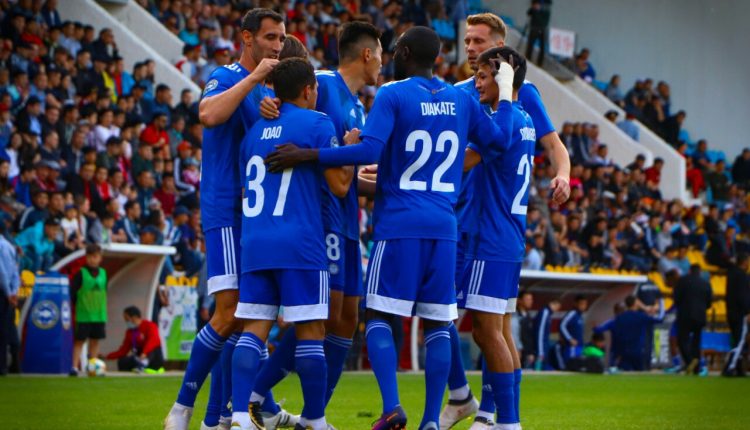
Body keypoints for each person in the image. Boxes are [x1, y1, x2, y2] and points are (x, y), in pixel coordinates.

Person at [264, 25, 515, 430]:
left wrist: (309, 154)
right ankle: (431, 420)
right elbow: (500, 142)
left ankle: (392, 406)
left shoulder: (393, 94)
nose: (389, 56)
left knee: (379, 315)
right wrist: (504, 94)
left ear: (405, 54)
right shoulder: (462, 100)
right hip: (444, 226)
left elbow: (368, 149)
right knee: (438, 324)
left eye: (395, 50)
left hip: (399, 223)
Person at [164, 8, 293, 430]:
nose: (277, 46)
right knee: (229, 312)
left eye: (282, 38)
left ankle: (221, 416)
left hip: (254, 215)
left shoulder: (263, 93)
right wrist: (254, 80)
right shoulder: (227, 76)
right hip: (224, 209)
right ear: (247, 37)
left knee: (248, 315)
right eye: (271, 37)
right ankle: (182, 409)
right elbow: (208, 115)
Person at [443, 12, 570, 430]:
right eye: (467, 41)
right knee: (484, 326)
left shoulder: (514, 102)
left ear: (500, 49)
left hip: (485, 227)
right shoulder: (469, 94)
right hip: (479, 223)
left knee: (481, 327)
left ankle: (493, 414)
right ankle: (480, 408)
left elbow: (540, 145)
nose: (470, 48)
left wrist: (564, 174)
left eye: (479, 41)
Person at [253, 21, 383, 410]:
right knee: (321, 313)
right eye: (380, 53)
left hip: (348, 218)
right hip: (322, 214)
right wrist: (267, 102)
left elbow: (343, 167)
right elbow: (286, 107)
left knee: (347, 318)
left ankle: (316, 413)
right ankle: (253, 395)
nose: (382, 61)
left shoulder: (358, 107)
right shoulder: (323, 84)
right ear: (366, 54)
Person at [232, 57, 351, 430]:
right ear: (308, 90)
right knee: (312, 332)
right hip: (300, 244)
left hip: (255, 241)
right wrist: (348, 150)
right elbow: (340, 186)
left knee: (253, 331)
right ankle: (315, 419)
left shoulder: (253, 133)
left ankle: (239, 417)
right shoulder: (317, 123)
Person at [452, 46, 532, 430]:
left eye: (484, 76)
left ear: (504, 77)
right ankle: (506, 419)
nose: (477, 83)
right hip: (509, 237)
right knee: (497, 332)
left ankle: (508, 423)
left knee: (487, 332)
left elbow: (462, 162)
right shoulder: (524, 118)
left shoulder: (504, 120)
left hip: (491, 238)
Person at [70, 244, 108, 376]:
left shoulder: (104, 273)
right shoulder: (81, 273)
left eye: (95, 257)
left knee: (95, 341)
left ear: (100, 258)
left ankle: (93, 367)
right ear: (86, 257)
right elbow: (73, 292)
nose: (92, 259)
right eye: (90, 257)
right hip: (84, 314)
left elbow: (105, 291)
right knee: (79, 341)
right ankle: (74, 367)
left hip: (99, 314)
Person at [674, 264, 713, 374]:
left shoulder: (682, 281)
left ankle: (690, 361)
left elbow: (677, 298)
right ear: (700, 272)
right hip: (700, 316)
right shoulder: (706, 283)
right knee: (696, 342)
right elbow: (709, 302)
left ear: (690, 271)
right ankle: (696, 368)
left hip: (685, 315)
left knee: (682, 340)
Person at [610, 296, 663, 371]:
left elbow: (616, 335)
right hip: (638, 351)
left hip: (624, 352)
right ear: (635, 303)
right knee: (640, 373)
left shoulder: (620, 317)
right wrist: (661, 303)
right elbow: (660, 319)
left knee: (624, 374)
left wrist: (616, 353)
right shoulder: (640, 316)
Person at [106, 305, 164, 372]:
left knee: (153, 349)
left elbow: (153, 340)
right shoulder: (130, 332)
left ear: (134, 317)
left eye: (127, 319)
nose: (126, 322)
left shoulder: (150, 326)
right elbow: (123, 350)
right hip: (139, 357)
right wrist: (107, 356)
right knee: (122, 361)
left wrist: (144, 353)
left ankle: (144, 363)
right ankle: (134, 369)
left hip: (152, 357)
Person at [723, 253, 750, 376]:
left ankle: (739, 369)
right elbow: (743, 297)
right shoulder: (742, 276)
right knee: (740, 341)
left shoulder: (731, 274)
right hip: (740, 314)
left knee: (736, 339)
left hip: (731, 312)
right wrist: (748, 311)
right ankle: (729, 367)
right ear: (744, 262)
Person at [0, 220, 20, 376]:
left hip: (2, 292)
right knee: (7, 329)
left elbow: (1, 272)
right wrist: (13, 292)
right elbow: (14, 271)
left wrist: (8, 292)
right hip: (8, 293)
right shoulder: (8, 246)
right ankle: (11, 365)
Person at [533, 298, 560, 371]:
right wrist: (540, 350)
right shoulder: (545, 312)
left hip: (544, 344)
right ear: (553, 304)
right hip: (541, 345)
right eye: (557, 307)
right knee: (539, 367)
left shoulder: (548, 313)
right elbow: (540, 332)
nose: (557, 310)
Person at [559, 295, 588, 362]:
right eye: (581, 304)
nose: (583, 306)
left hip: (579, 346)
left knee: (578, 365)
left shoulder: (580, 315)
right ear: (575, 304)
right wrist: (570, 339)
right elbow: (562, 325)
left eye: (585, 304)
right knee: (571, 364)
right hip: (572, 347)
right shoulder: (572, 313)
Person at [524, 0, 551, 66]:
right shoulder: (534, 9)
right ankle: (528, 58)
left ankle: (540, 63)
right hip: (534, 28)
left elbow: (543, 22)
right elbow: (528, 13)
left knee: (542, 47)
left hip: (542, 29)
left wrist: (537, 11)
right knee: (530, 44)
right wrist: (533, 9)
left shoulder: (546, 10)